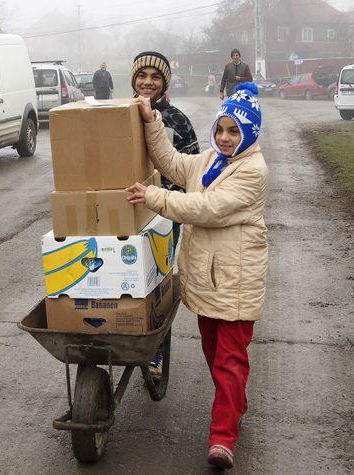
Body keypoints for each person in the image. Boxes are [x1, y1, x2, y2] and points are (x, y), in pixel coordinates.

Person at [126, 82, 267, 470]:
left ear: (250, 133)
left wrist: (154, 197)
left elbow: (208, 208)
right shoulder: (208, 161)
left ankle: (222, 439)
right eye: (221, 129)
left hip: (236, 282)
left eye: (234, 131)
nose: (224, 138)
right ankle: (234, 402)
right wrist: (151, 120)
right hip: (209, 280)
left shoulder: (253, 171)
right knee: (214, 355)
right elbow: (171, 162)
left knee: (229, 360)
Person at [130, 51, 200, 379]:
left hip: (164, 217)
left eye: (155, 77)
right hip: (126, 214)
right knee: (126, 281)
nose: (148, 81)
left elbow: (192, 174)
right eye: (142, 75)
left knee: (157, 282)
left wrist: (176, 202)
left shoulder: (178, 121)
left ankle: (155, 350)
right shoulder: (120, 114)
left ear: (164, 83)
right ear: (133, 79)